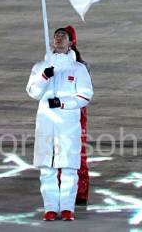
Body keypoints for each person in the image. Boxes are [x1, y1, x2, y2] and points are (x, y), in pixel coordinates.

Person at [26, 27, 93, 221]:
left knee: (69, 168)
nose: (59, 39)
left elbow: (85, 95)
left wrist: (63, 103)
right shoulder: (41, 66)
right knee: (47, 167)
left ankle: (67, 208)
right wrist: (44, 77)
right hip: (46, 124)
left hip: (68, 125)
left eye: (63, 36)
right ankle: (50, 207)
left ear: (71, 42)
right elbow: (33, 92)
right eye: (56, 36)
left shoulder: (78, 69)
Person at [62, 26, 92, 206]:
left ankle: (80, 192)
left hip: (75, 112)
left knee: (77, 152)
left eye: (64, 37)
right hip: (56, 113)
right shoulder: (50, 62)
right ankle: (62, 190)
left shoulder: (82, 66)